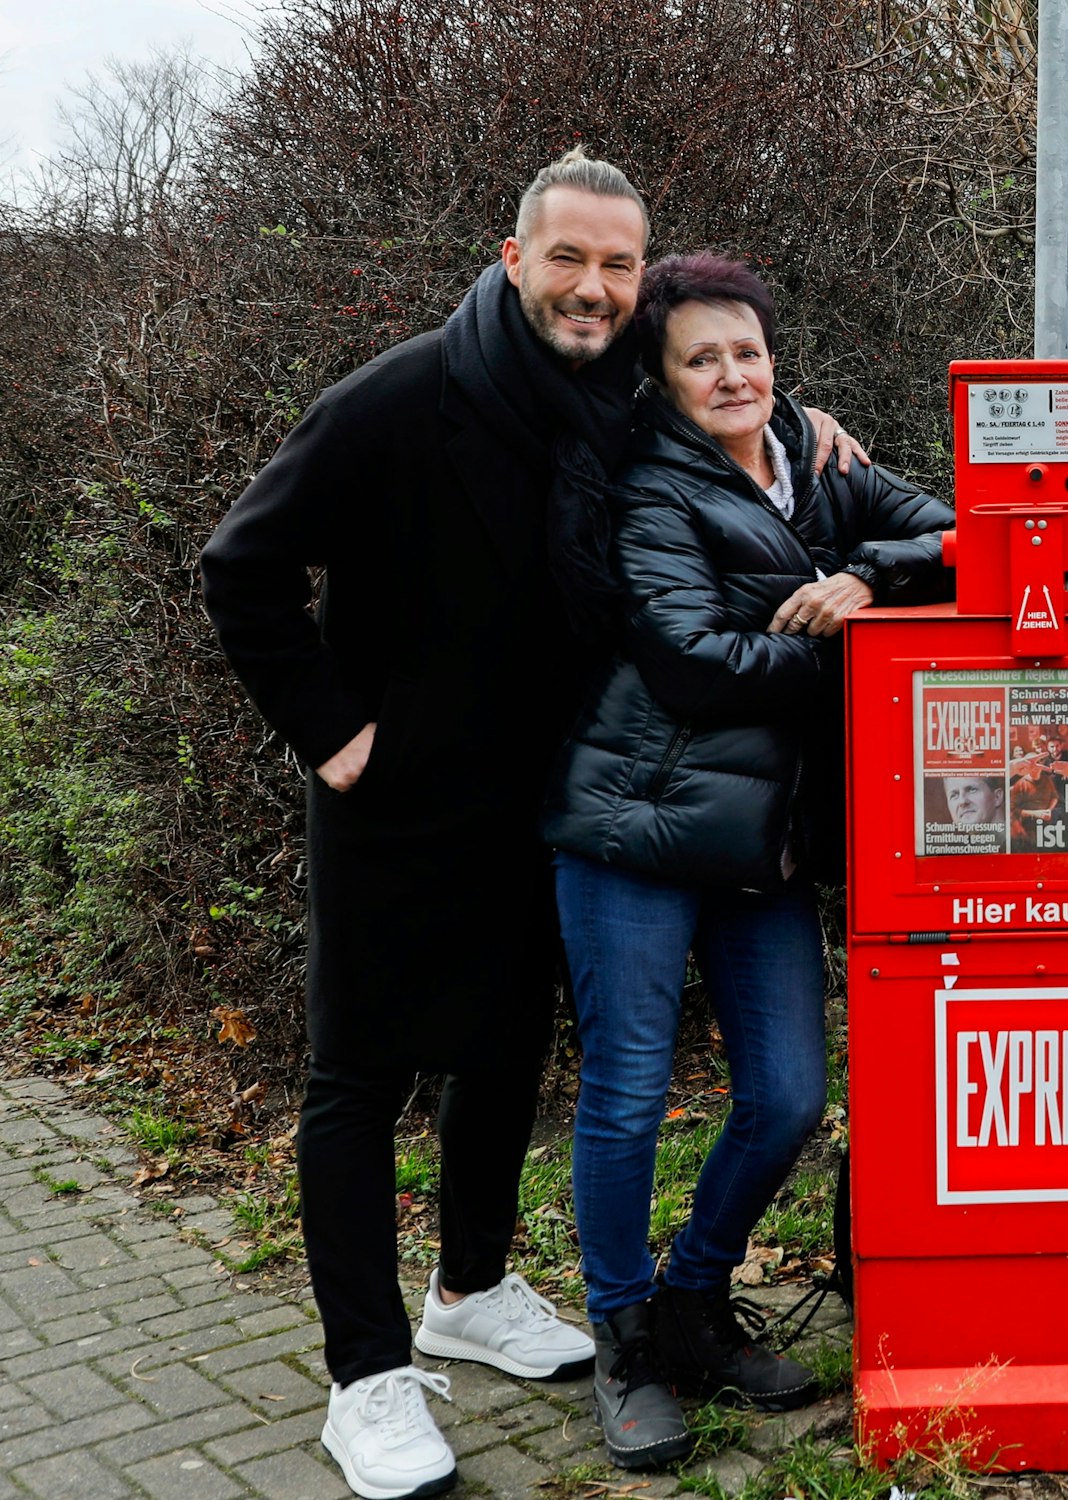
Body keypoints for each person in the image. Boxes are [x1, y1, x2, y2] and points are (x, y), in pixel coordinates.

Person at [201, 153, 865, 1500]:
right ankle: (369, 1376)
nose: (596, 287)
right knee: (362, 1079)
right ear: (515, 259)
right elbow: (243, 565)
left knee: (503, 1056)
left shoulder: (614, 398)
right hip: (394, 803)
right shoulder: (399, 397)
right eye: (570, 258)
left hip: (549, 795)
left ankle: (473, 1289)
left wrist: (811, 430)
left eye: (619, 265)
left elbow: (721, 430)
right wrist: (332, 732)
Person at [539, 254, 952, 1470]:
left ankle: (691, 1305)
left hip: (759, 840)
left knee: (784, 1097)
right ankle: (621, 1338)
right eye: (700, 358)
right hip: (636, 824)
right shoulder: (645, 484)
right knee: (623, 1093)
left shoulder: (817, 464)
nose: (731, 375)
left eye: (747, 352)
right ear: (662, 383)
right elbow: (689, 656)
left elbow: (956, 531)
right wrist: (855, 646)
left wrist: (865, 576)